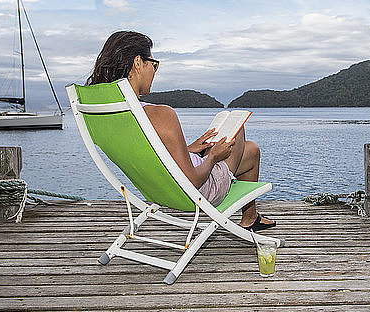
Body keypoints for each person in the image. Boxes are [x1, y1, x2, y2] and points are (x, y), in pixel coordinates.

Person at [86, 30, 276, 231]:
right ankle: (249, 217)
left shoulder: (106, 115)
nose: (154, 70)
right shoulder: (161, 114)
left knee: (252, 149)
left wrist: (189, 149)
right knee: (237, 127)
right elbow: (192, 180)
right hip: (199, 191)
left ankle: (250, 218)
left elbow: (152, 155)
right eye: (154, 64)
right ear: (138, 63)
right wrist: (213, 157)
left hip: (159, 190)